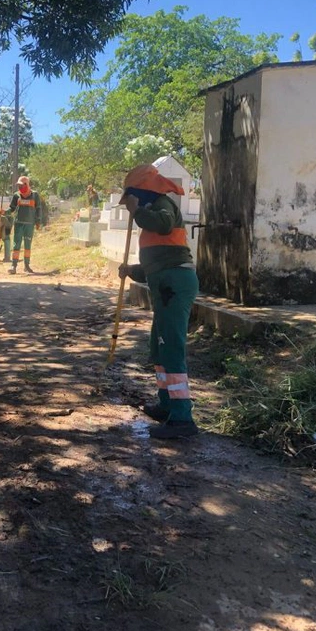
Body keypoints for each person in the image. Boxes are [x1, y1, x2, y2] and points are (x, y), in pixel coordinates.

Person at [117, 163, 199, 439]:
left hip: (175, 285)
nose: (131, 202)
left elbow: (163, 226)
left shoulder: (162, 206)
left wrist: (136, 211)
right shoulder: (151, 212)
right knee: (159, 347)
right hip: (166, 283)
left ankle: (182, 419)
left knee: (172, 348)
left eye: (133, 196)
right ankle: (167, 406)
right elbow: (157, 263)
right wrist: (132, 271)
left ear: (144, 190)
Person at [7, 175, 47, 274]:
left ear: (27, 184)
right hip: (18, 224)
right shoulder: (16, 195)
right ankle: (14, 265)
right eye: (19, 186)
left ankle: (27, 265)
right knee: (16, 244)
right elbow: (11, 208)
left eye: (21, 185)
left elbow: (38, 209)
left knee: (27, 245)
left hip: (29, 224)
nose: (20, 187)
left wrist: (38, 221)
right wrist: (4, 212)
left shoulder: (35, 195)